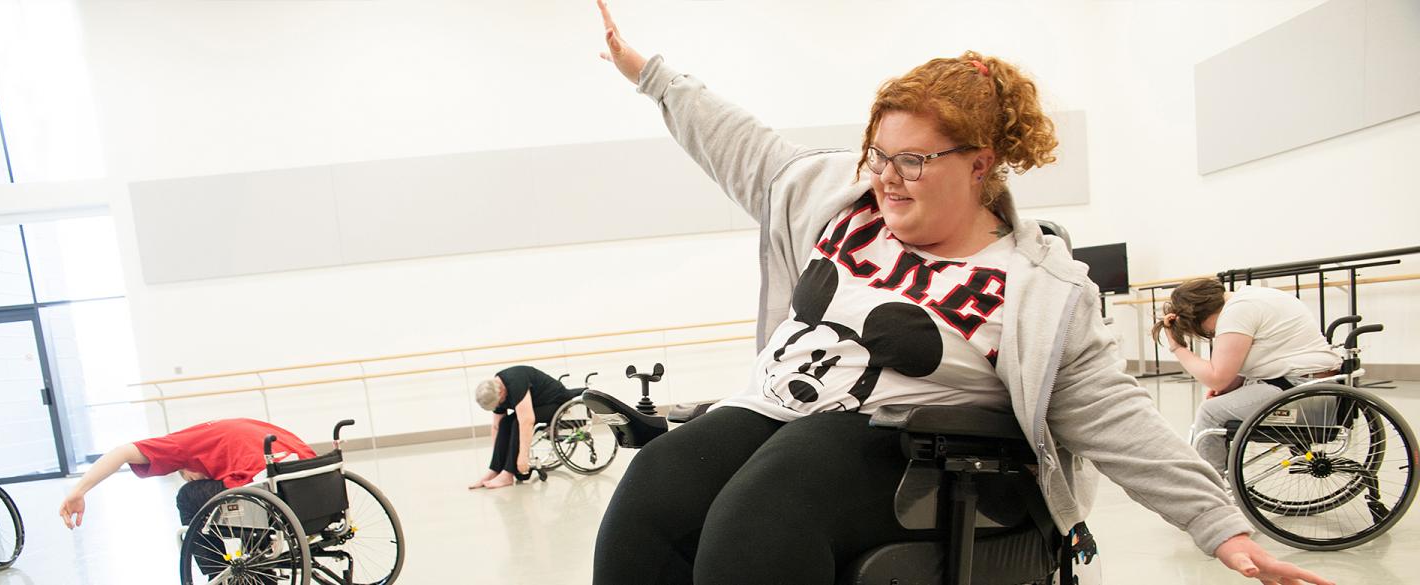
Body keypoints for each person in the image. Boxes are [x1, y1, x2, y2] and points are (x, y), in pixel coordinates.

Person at [588, 2, 1333, 584]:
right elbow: (734, 139)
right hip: (777, 412)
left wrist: (1220, 524)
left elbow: (1114, 414)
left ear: (979, 165)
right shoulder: (833, 195)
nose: (886, 176)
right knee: (655, 488)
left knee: (761, 514)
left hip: (913, 446)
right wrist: (647, 72)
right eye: (878, 153)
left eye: (913, 160)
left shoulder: (1039, 288)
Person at [1155, 278, 1344, 473]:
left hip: (1306, 396)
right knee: (1218, 407)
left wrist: (1177, 347)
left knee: (1210, 413)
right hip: (1308, 387)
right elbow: (1256, 359)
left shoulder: (1237, 311)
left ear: (1201, 314)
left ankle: (1211, 491)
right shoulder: (1249, 298)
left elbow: (1216, 378)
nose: (1212, 334)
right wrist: (1231, 384)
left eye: (1207, 331)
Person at [58, 417, 316, 530]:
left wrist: (78, 491)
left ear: (186, 466)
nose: (193, 477)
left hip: (270, 490)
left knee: (189, 497)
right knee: (229, 490)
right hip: (311, 481)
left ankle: (216, 570)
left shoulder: (183, 445)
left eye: (188, 474)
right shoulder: (234, 427)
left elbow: (122, 452)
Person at [470, 365, 583, 489]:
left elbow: (527, 421)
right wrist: (497, 459)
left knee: (517, 423)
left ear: (501, 393)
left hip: (555, 402)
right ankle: (494, 472)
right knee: (505, 423)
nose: (500, 405)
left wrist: (523, 457)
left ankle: (507, 474)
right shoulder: (494, 389)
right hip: (537, 405)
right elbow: (497, 426)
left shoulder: (515, 382)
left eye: (499, 403)